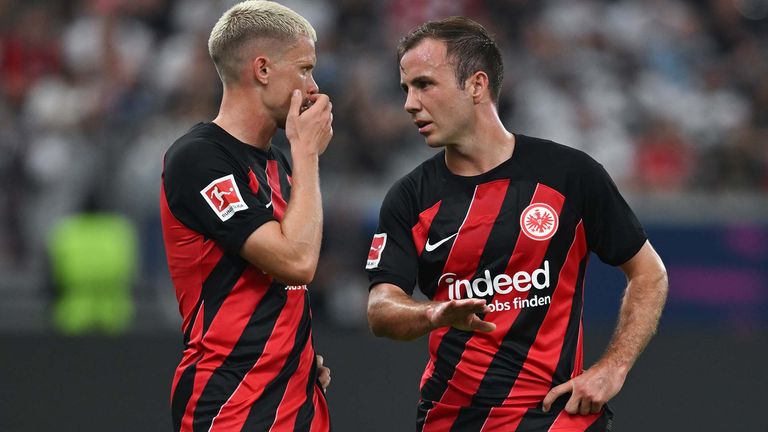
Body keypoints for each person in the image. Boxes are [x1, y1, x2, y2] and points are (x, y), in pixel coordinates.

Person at [366, 17, 668, 432]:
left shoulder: (569, 174)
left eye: (424, 85)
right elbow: (381, 308)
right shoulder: (410, 198)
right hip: (453, 420)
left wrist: (613, 368)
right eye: (406, 89)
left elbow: (649, 273)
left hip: (558, 418)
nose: (409, 104)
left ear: (476, 85)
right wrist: (437, 312)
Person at [160, 1, 333, 431]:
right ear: (262, 69)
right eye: (304, 69)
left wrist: (296, 354)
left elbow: (283, 287)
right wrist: (308, 154)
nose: (313, 88)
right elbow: (295, 262)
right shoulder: (198, 158)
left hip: (298, 405)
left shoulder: (281, 163)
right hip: (231, 407)